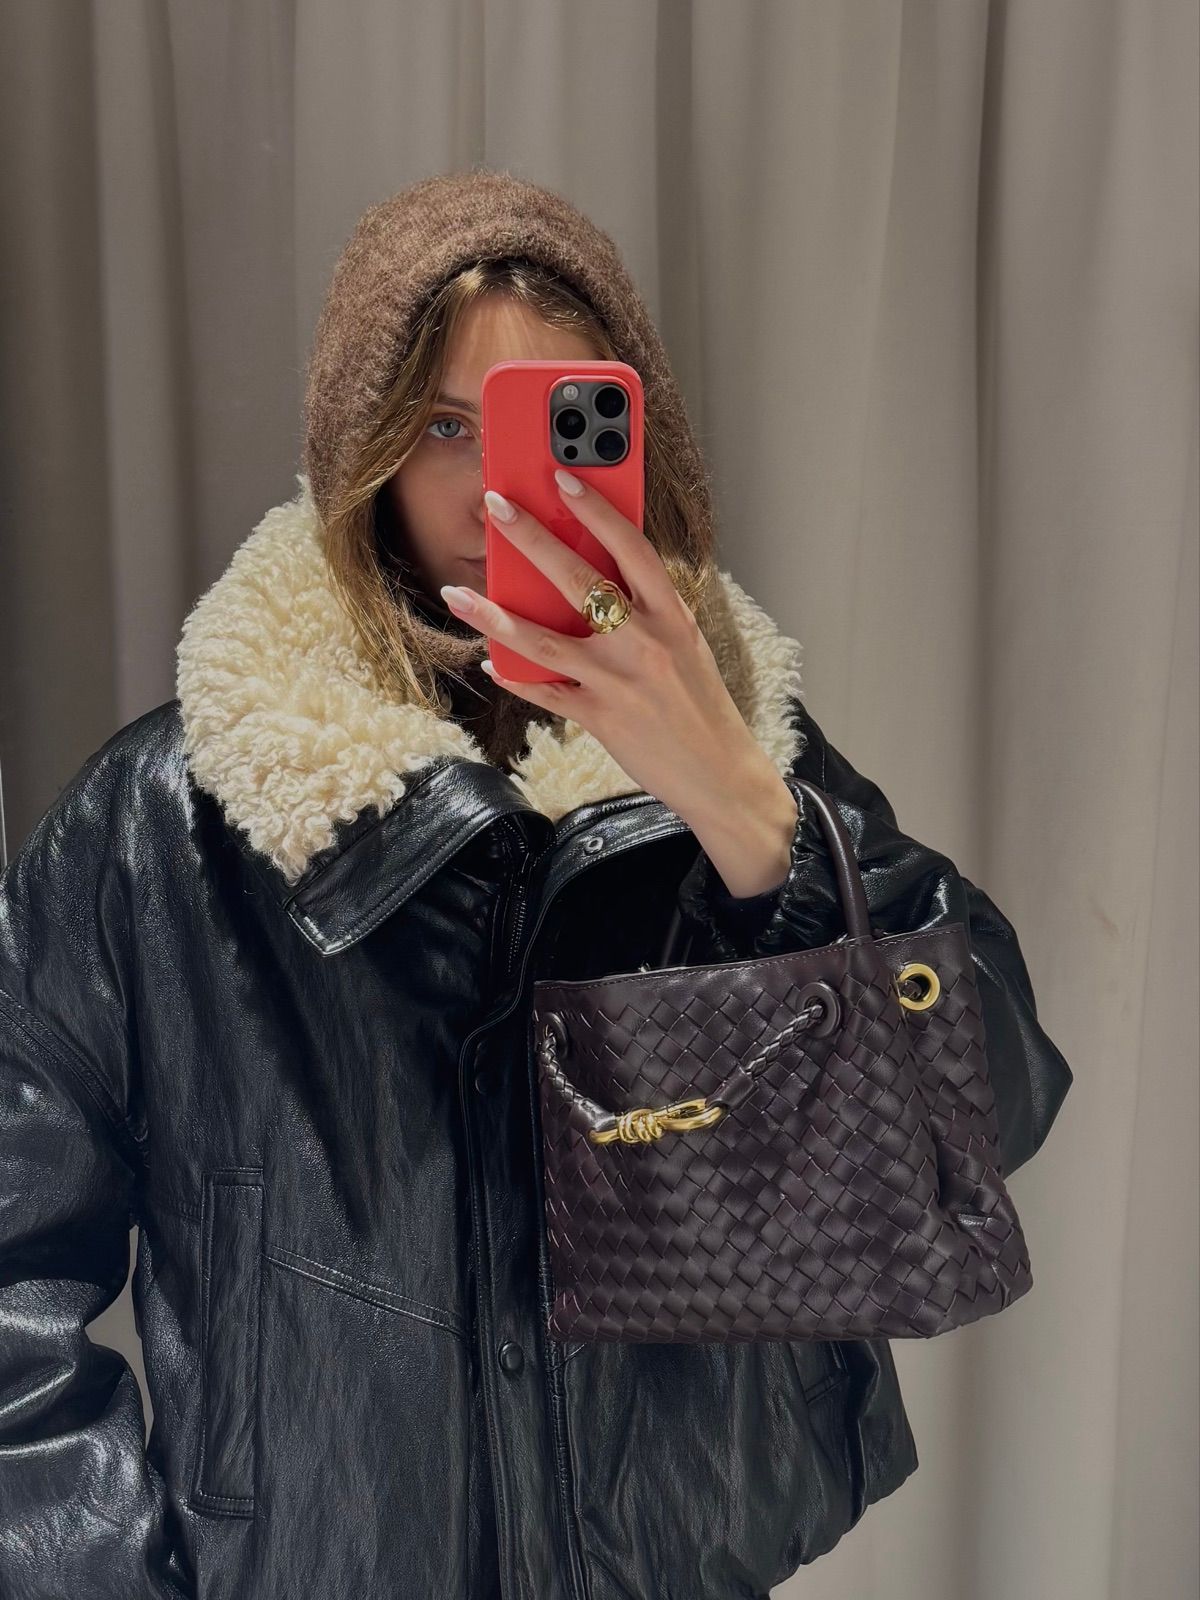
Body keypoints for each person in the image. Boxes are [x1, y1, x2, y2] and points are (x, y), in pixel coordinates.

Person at [0, 169, 1072, 1600]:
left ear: (637, 431)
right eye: (447, 424)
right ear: (362, 442)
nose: (500, 483)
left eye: (559, 420)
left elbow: (982, 1120)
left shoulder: (750, 758)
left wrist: (742, 803)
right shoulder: (166, 820)